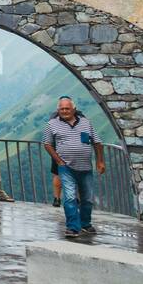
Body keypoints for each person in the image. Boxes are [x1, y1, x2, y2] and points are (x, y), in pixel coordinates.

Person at [43, 96, 106, 239]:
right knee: (70, 197)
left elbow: (97, 142)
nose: (64, 111)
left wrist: (100, 162)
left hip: (86, 167)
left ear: (74, 109)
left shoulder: (85, 123)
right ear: (58, 110)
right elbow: (47, 144)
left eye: (67, 108)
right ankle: (72, 227)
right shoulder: (51, 124)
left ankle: (85, 224)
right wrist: (58, 161)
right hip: (66, 167)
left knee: (87, 198)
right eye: (61, 109)